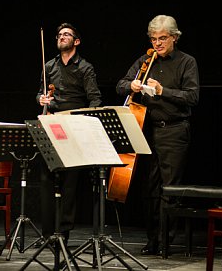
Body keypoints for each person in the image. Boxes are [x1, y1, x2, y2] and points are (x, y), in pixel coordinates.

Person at [116, 14, 199, 256]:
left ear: (174, 37)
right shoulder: (145, 60)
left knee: (169, 189)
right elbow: (121, 84)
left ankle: (165, 241)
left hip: (174, 130)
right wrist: (130, 85)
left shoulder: (186, 62)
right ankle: (152, 239)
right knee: (149, 189)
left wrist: (163, 91)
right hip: (147, 130)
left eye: (162, 38)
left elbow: (192, 97)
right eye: (154, 39)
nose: (157, 43)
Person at [36, 22, 102, 245]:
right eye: (59, 34)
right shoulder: (49, 66)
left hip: (74, 125)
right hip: (52, 123)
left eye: (67, 34)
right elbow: (39, 94)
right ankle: (47, 233)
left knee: (70, 182)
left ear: (76, 41)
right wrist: (41, 99)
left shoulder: (85, 68)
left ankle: (63, 232)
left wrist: (88, 122)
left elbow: (95, 98)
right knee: (47, 179)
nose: (61, 36)